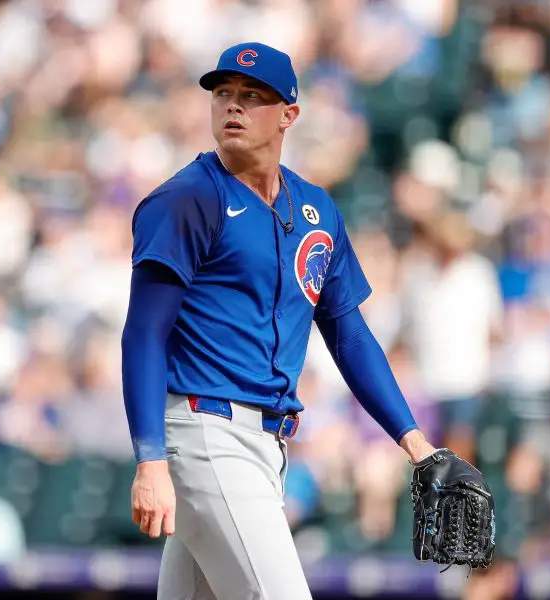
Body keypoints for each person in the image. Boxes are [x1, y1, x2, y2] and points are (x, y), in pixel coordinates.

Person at [122, 42, 439, 600]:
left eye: (253, 96)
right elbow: (144, 333)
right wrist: (150, 461)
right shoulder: (187, 199)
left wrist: (417, 446)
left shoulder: (315, 208)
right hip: (204, 432)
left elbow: (349, 332)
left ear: (289, 114)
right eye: (223, 94)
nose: (233, 106)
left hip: (266, 448)